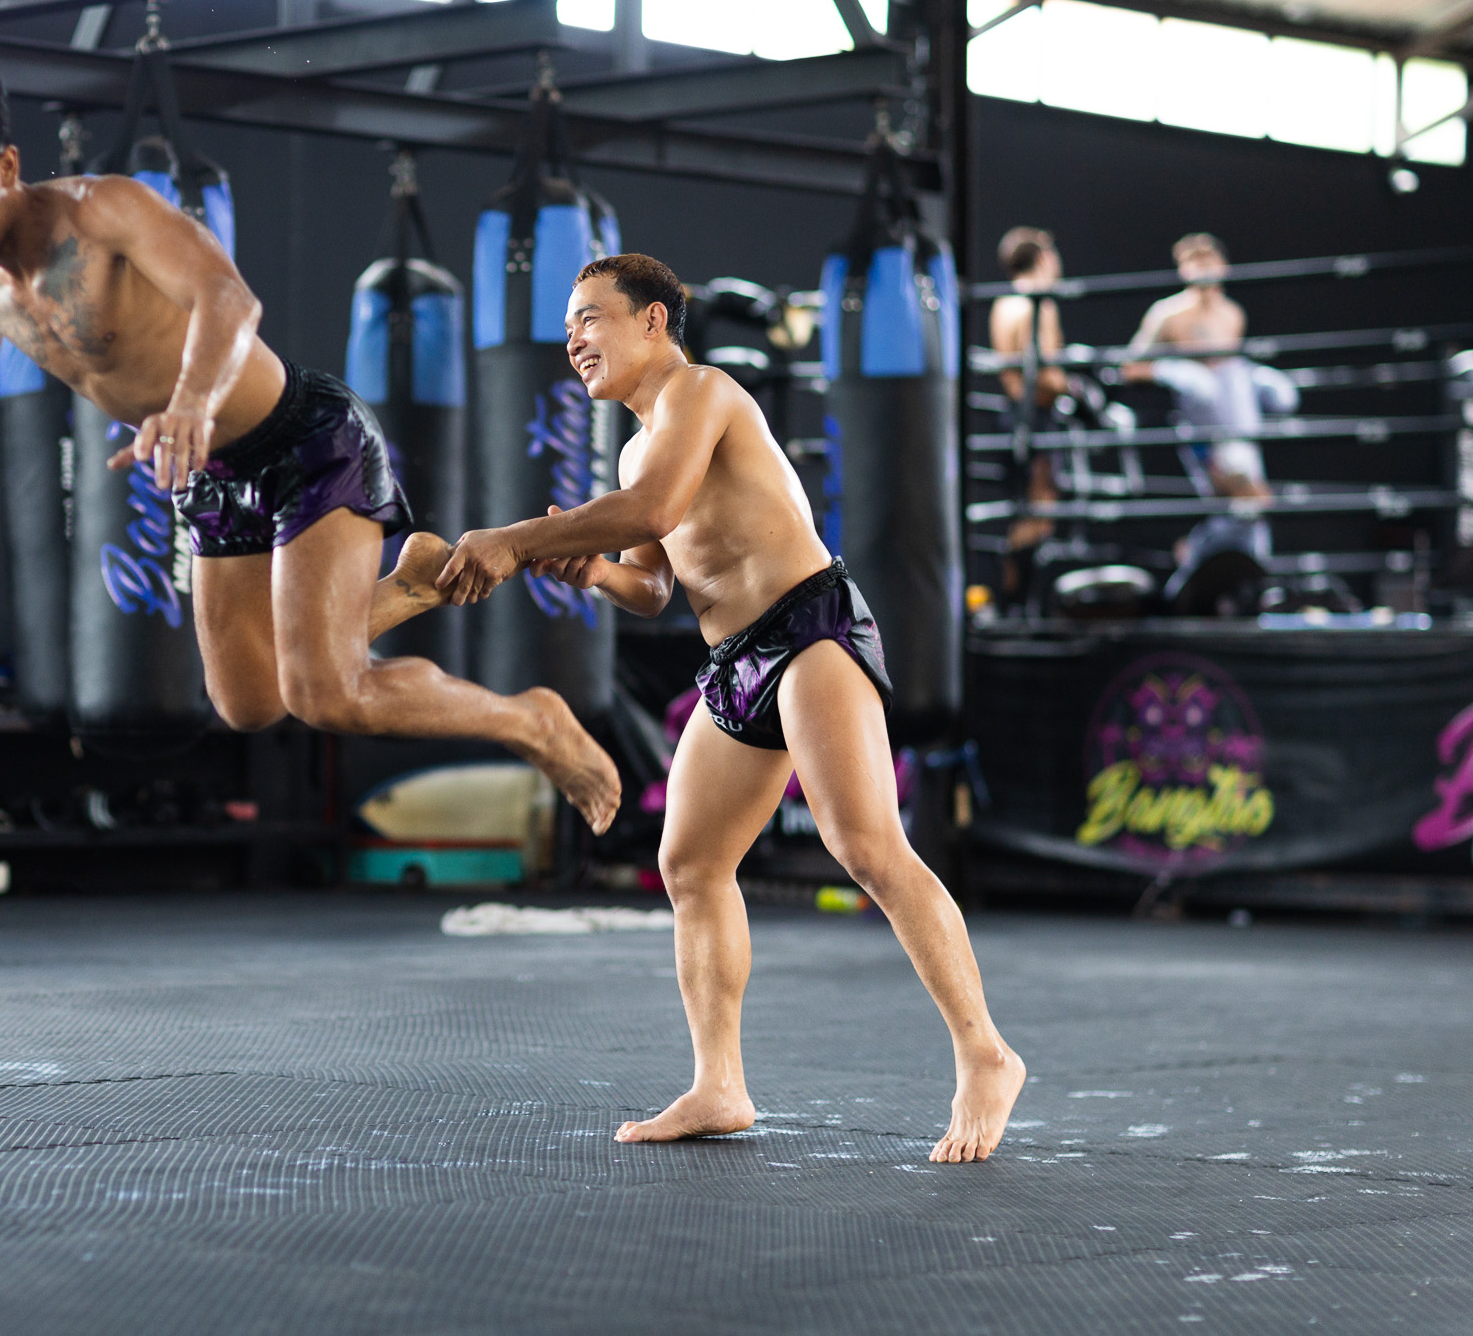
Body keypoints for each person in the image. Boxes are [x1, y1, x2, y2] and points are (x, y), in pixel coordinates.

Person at [0, 54, 620, 832]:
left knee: (328, 693)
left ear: (7, 168)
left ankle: (532, 719)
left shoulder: (104, 211)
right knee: (248, 702)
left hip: (305, 441)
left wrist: (188, 405)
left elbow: (228, 297)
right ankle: (411, 584)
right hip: (210, 473)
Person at [425, 254, 1026, 1163]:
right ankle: (720, 1085)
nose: (573, 339)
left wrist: (514, 538)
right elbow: (654, 585)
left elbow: (651, 509)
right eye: (567, 325)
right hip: (736, 659)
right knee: (691, 862)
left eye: (591, 317)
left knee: (866, 846)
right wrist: (595, 572)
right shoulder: (634, 448)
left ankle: (987, 1055)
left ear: (653, 320)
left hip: (808, 627)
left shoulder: (701, 390)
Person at [1123, 232, 1296, 509]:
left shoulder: (1233, 313)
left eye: (1208, 261)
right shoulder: (1167, 314)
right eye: (1195, 262)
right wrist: (1178, 372)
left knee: (1281, 393)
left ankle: (1244, 464)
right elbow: (1131, 367)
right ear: (1183, 269)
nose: (1203, 269)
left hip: (1236, 413)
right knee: (1202, 386)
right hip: (1200, 418)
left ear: (1223, 266)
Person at [988, 227, 1068, 608]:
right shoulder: (1038, 303)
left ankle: (1011, 605)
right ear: (1042, 258)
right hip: (1035, 418)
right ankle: (1021, 608)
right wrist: (1074, 387)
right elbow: (1045, 375)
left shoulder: (1002, 303)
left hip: (1012, 415)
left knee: (1022, 516)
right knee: (1039, 516)